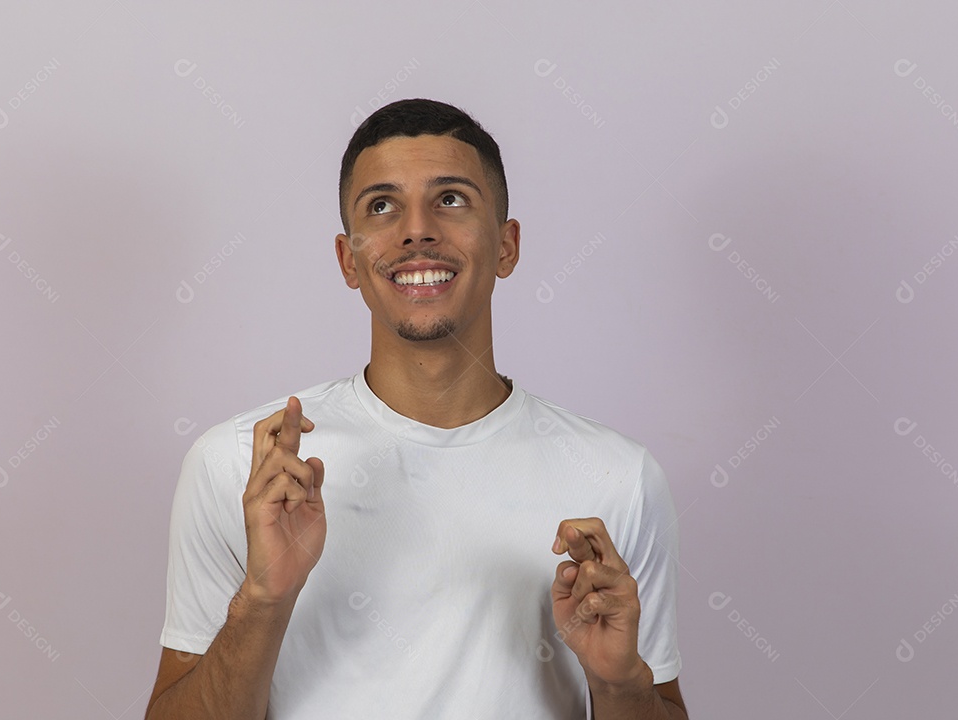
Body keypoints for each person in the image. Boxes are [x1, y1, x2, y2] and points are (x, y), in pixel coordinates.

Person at [145, 98, 687, 720]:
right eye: (382, 206)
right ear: (350, 260)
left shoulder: (619, 477)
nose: (416, 230)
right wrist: (264, 599)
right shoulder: (241, 466)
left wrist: (620, 686)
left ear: (507, 246)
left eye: (451, 199)